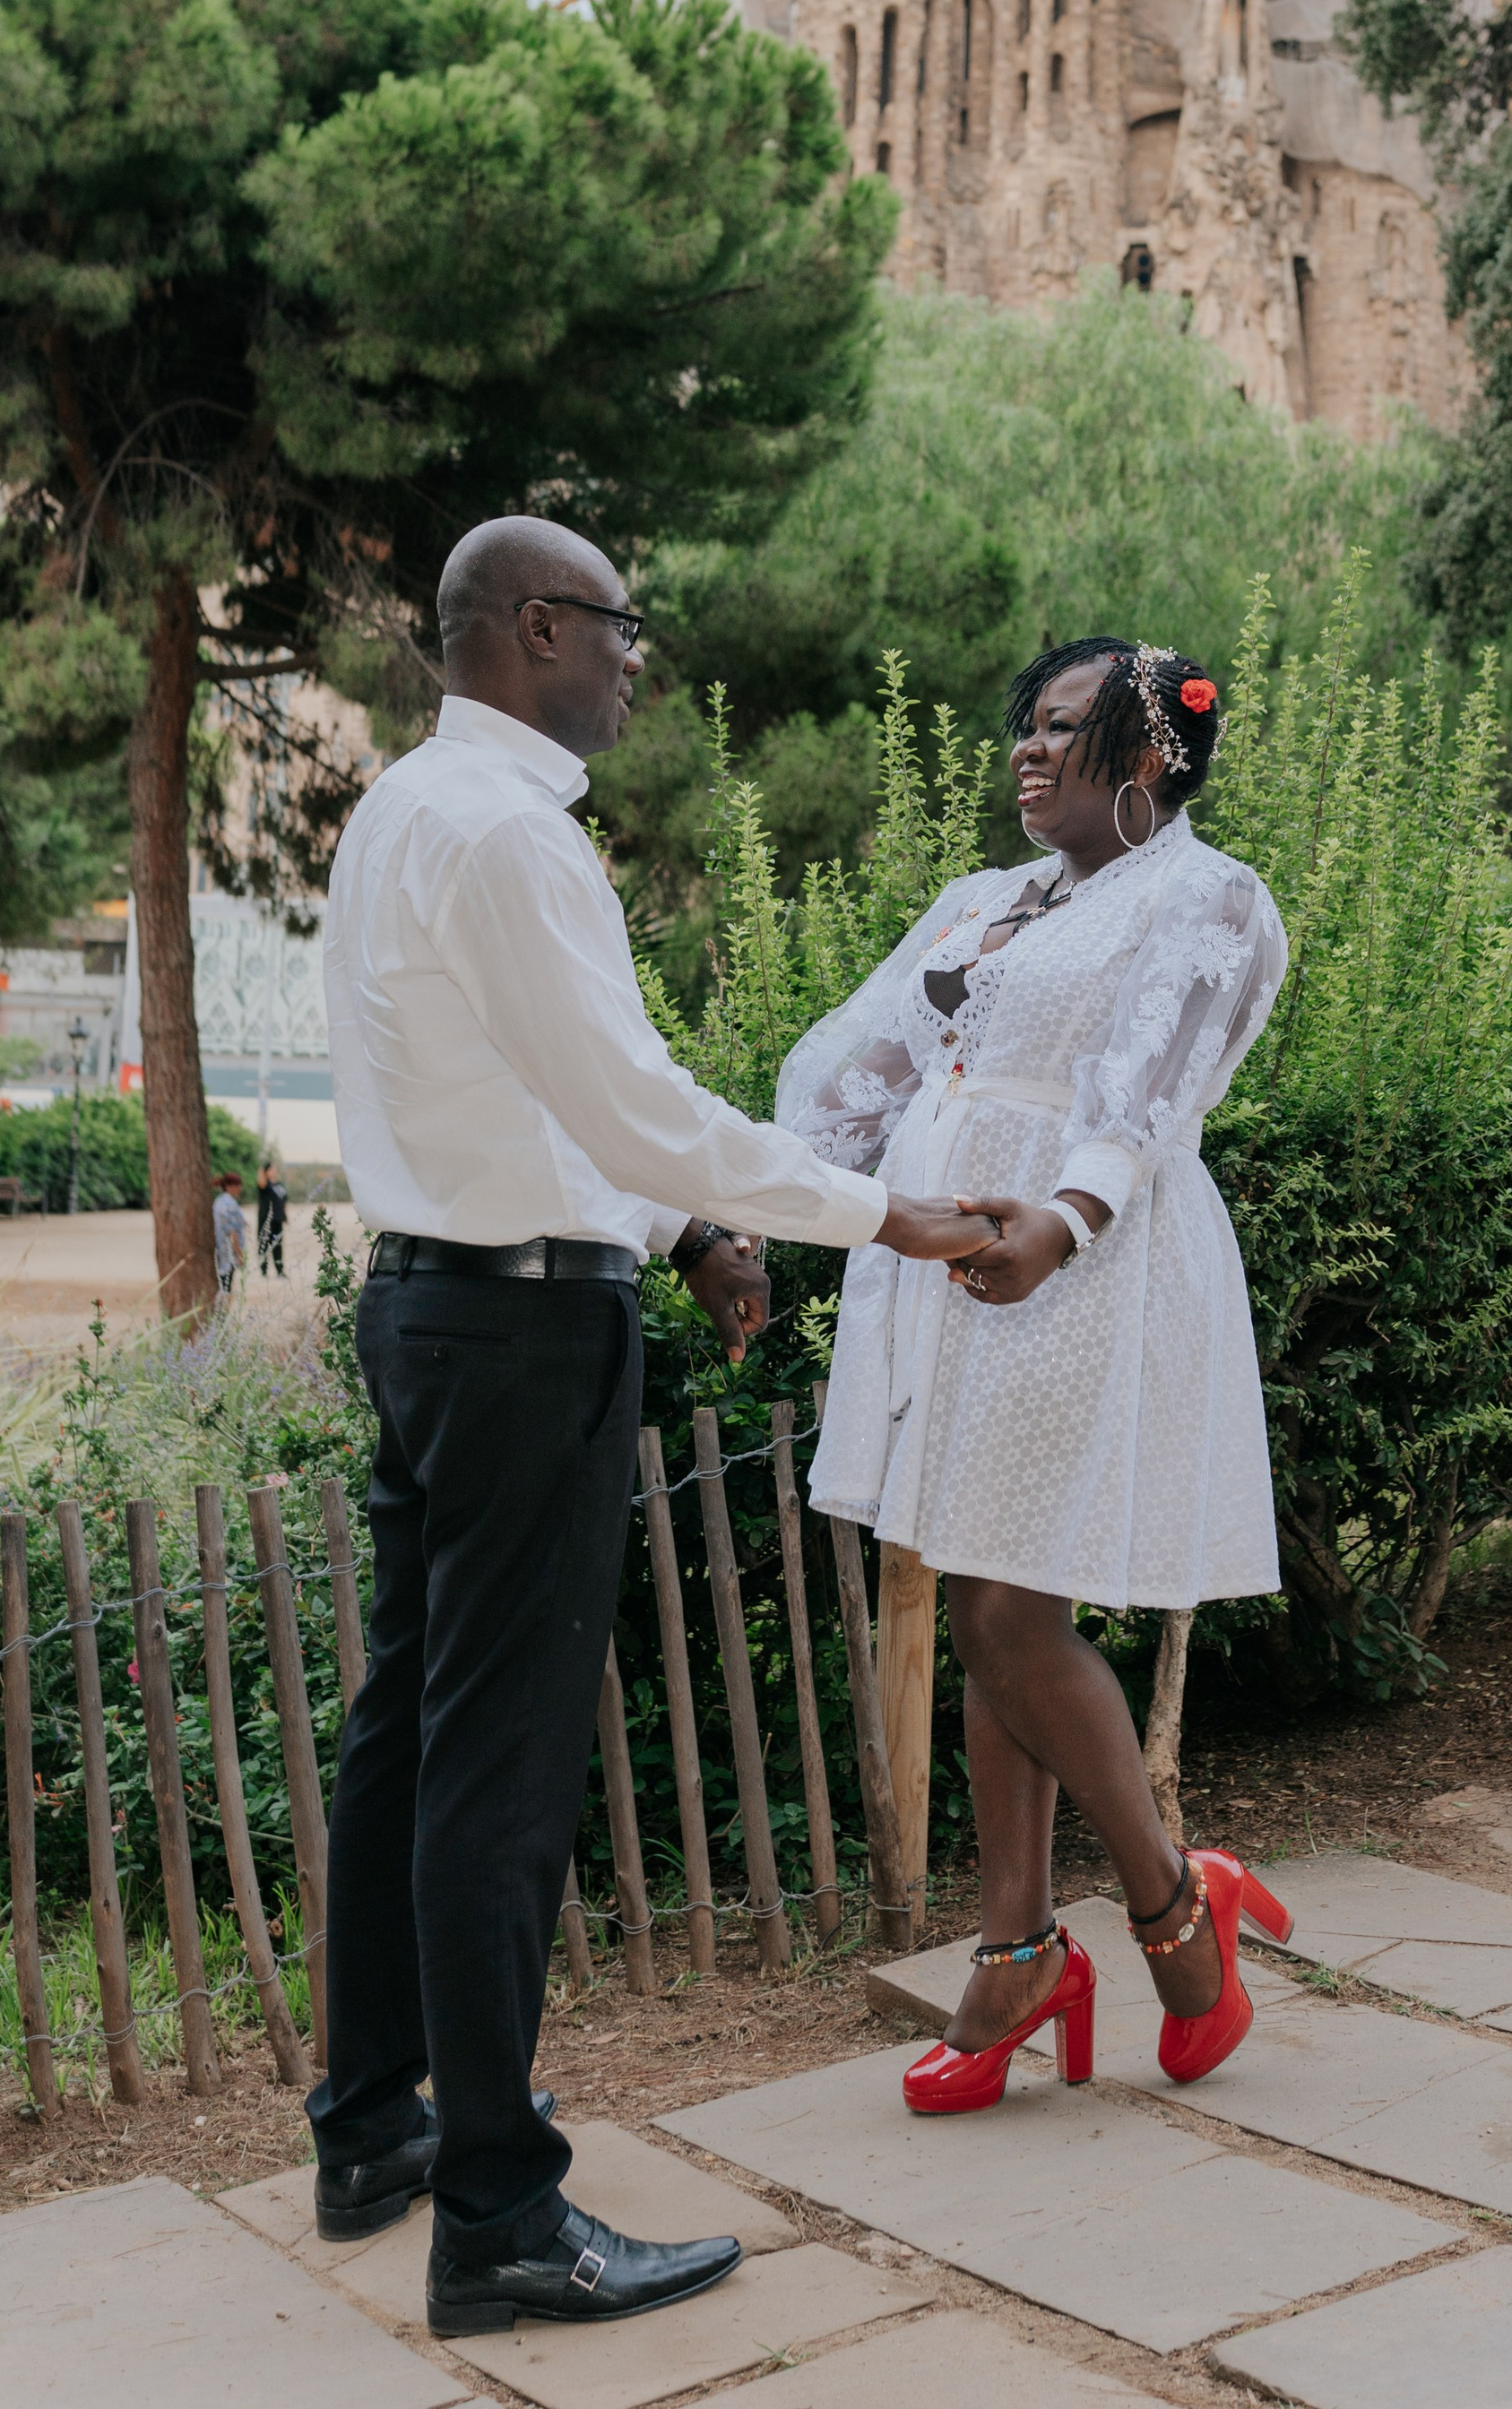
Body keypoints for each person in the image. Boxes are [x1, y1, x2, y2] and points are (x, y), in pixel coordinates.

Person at [311, 513, 993, 2342]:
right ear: (538, 627)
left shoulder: (395, 814)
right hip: (524, 1336)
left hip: (428, 1305)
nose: (639, 662)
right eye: (622, 629)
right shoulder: (509, 839)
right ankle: (500, 2218)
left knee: (404, 1730)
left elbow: (512, 1100)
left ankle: (371, 2128)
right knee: (500, 1771)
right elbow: (629, 1103)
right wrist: (889, 1217)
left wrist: (684, 1232)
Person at [784, 636, 1293, 2113]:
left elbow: (1148, 1092)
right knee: (986, 1593)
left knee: (1009, 1610)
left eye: (1062, 729)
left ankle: (1163, 1917)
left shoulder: (1206, 901)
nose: (1025, 748)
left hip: (1090, 1265)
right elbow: (864, 1071)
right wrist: (751, 1218)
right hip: (947, 1270)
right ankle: (1019, 1944)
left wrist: (1063, 1221)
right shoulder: (980, 904)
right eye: (1025, 724)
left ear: (1146, 764)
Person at [211, 1170, 246, 1305]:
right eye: (238, 1186)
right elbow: (232, 1232)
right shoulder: (230, 1204)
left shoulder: (219, 1201)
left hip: (221, 1252)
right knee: (226, 1289)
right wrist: (239, 1253)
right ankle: (222, 1319)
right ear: (231, 1186)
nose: (240, 1189)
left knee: (224, 1286)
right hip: (229, 1254)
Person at [255, 1159, 289, 1277]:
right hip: (266, 1220)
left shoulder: (279, 1185)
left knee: (278, 1245)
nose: (274, 1170)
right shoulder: (265, 1185)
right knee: (264, 1244)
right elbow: (261, 1182)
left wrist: (285, 1217)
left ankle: (280, 1270)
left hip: (277, 1220)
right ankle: (264, 1270)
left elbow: (284, 1201)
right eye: (271, 1168)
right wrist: (262, 1170)